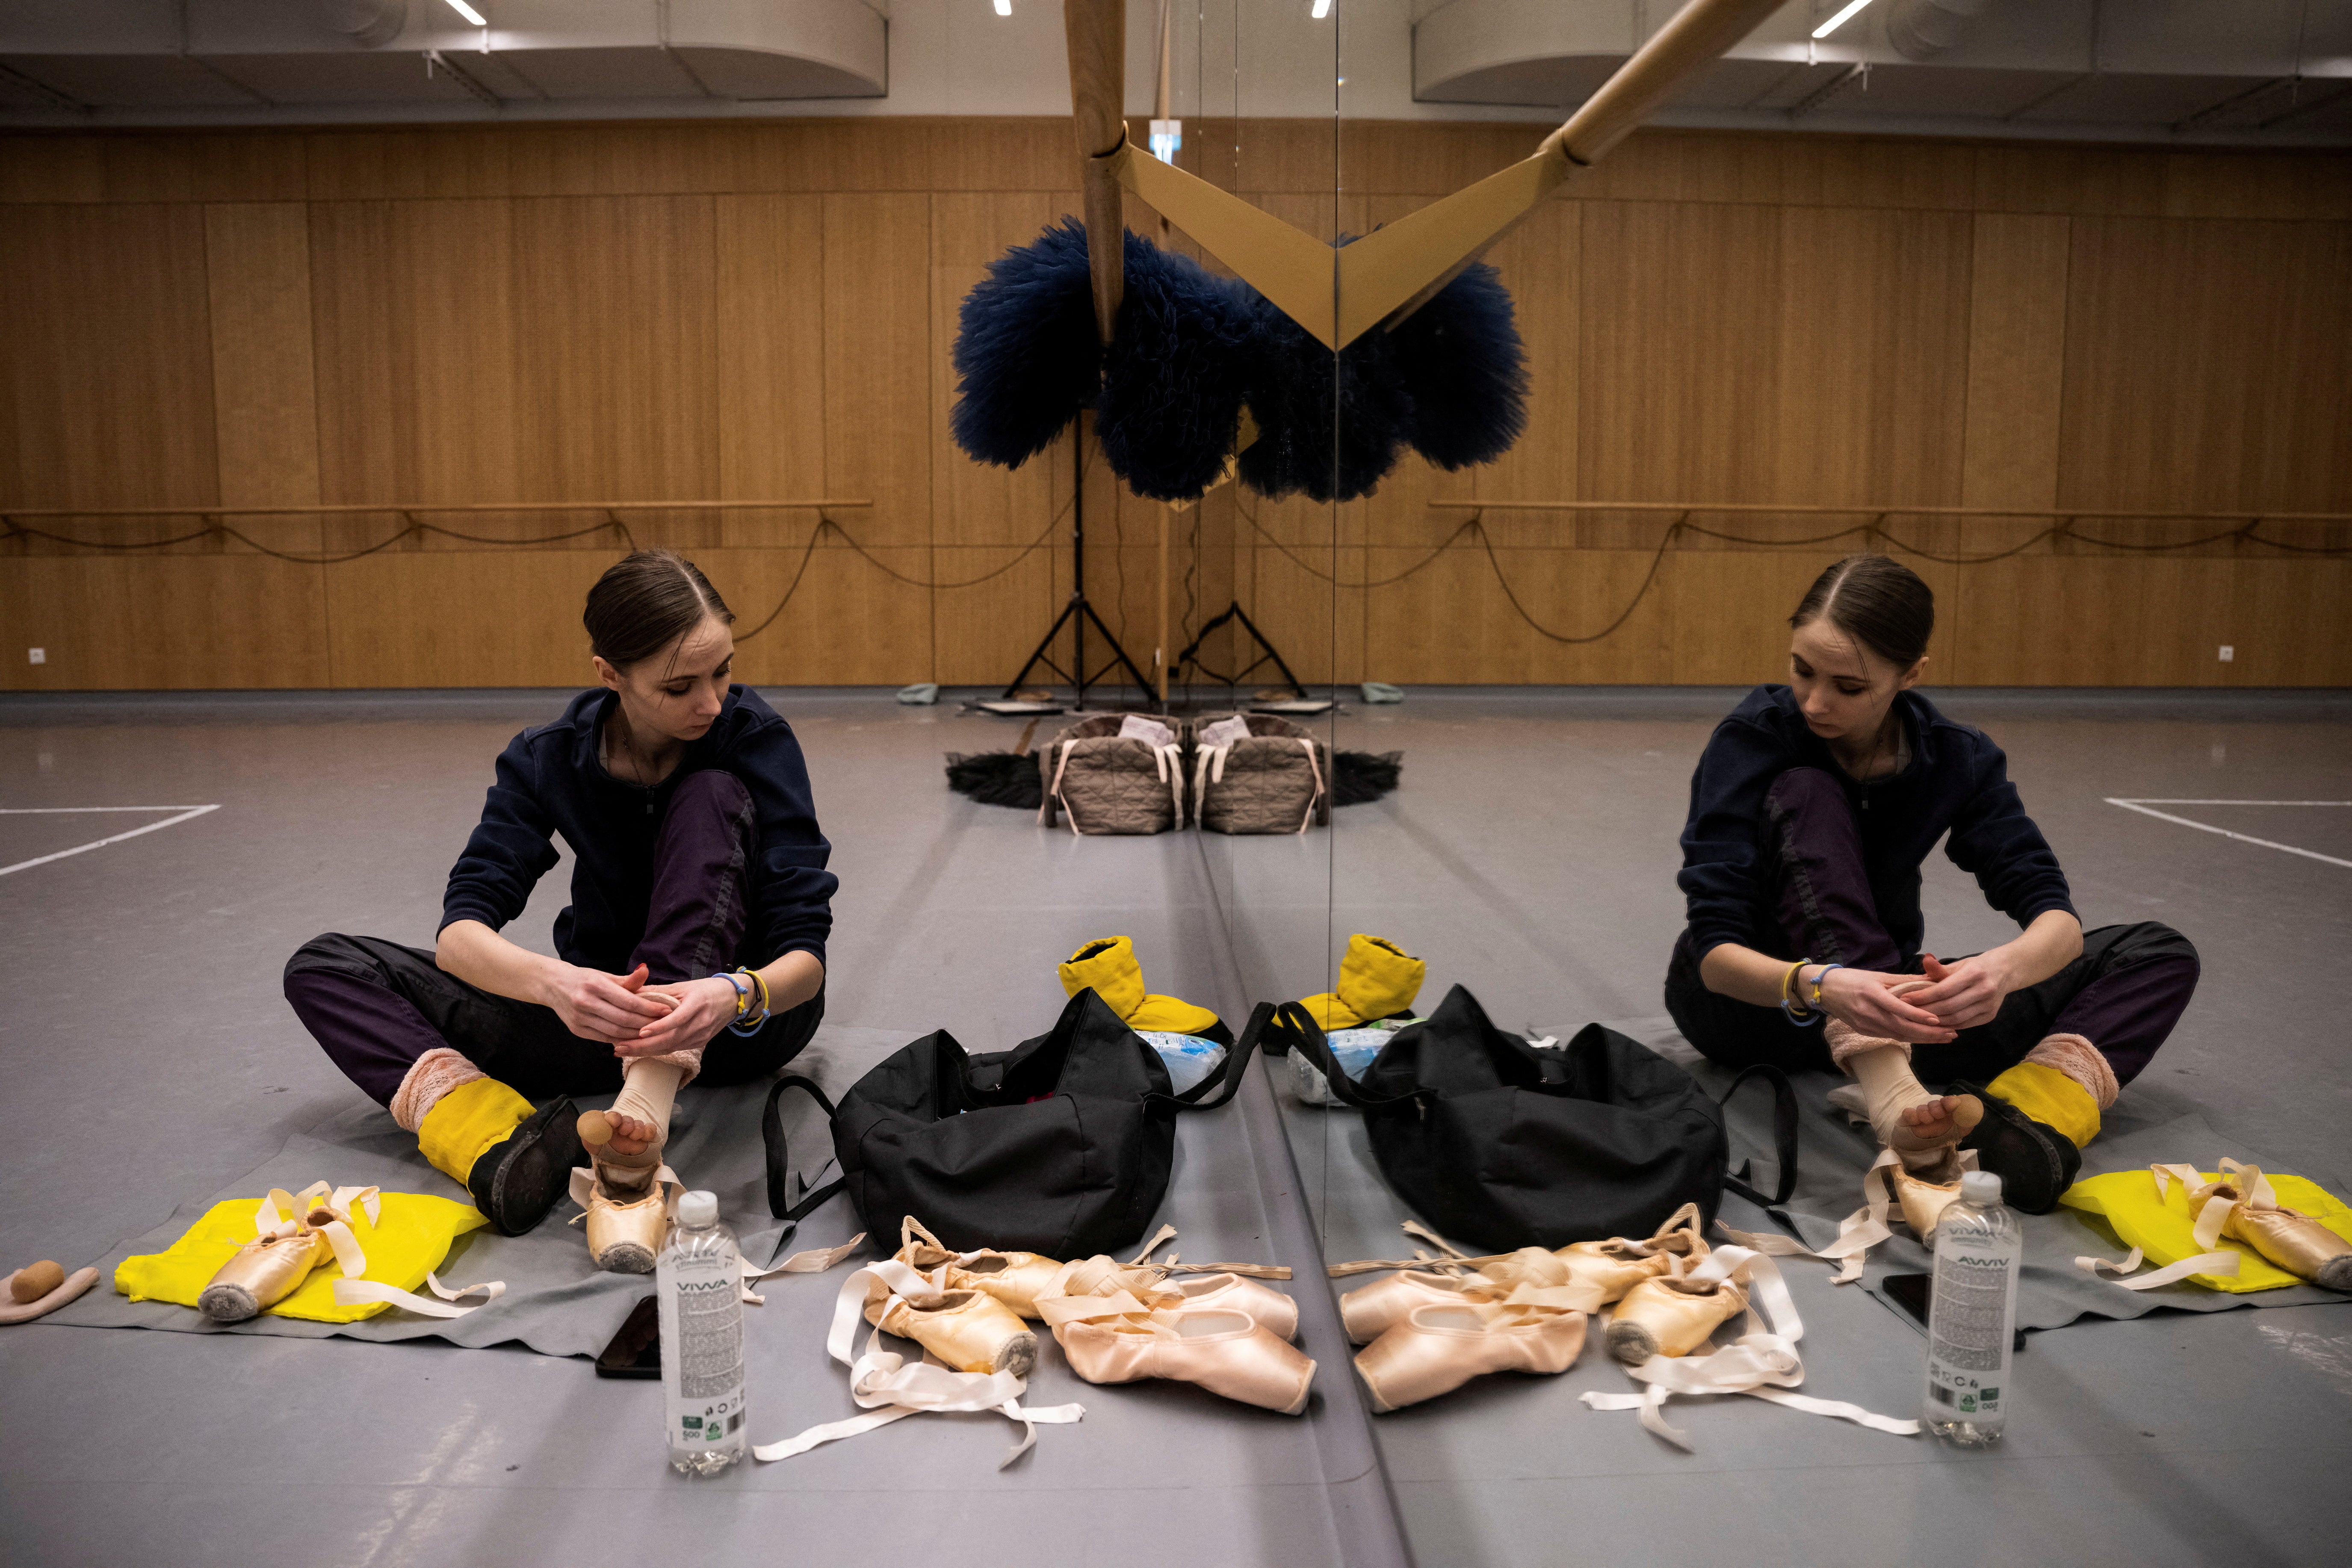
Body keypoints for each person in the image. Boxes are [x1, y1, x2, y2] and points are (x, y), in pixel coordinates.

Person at [283, 550, 835, 1265]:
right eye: (680, 685)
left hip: (741, 1020)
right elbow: (462, 932)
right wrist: (558, 985)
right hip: (596, 1018)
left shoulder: (751, 739)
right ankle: (498, 1143)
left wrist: (735, 993)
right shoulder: (547, 757)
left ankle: (641, 1120)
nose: (713, 702)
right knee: (325, 966)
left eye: (723, 671)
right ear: (610, 675)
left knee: (712, 795)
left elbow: (807, 959)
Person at [1664, 554, 2198, 1211]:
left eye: (1848, 686)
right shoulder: (1755, 739)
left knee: (2156, 952)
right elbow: (1714, 958)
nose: (1814, 702)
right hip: (1755, 1005)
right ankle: (1891, 1087)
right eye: (1802, 670)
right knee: (1807, 790)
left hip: (1891, 999)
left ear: (1910, 675)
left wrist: (2001, 973)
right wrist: (1822, 984)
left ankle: (2025, 1118)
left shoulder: (1956, 756)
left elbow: (2054, 919)